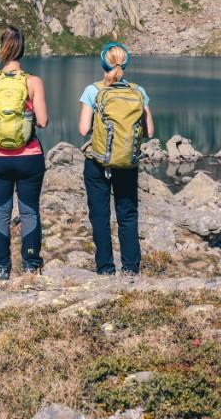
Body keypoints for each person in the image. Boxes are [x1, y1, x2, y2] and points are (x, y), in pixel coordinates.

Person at [0, 25, 49, 280]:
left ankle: (2, 268)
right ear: (22, 50)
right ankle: (30, 264)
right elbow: (43, 121)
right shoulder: (33, 82)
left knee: (1, 211)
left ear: (2, 48)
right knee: (29, 211)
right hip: (29, 157)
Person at [78, 43, 154, 276]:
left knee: (100, 216)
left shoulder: (93, 90)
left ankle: (106, 269)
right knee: (127, 215)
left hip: (98, 161)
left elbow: (83, 129)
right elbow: (149, 131)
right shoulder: (138, 91)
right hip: (128, 162)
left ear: (103, 63)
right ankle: (131, 270)